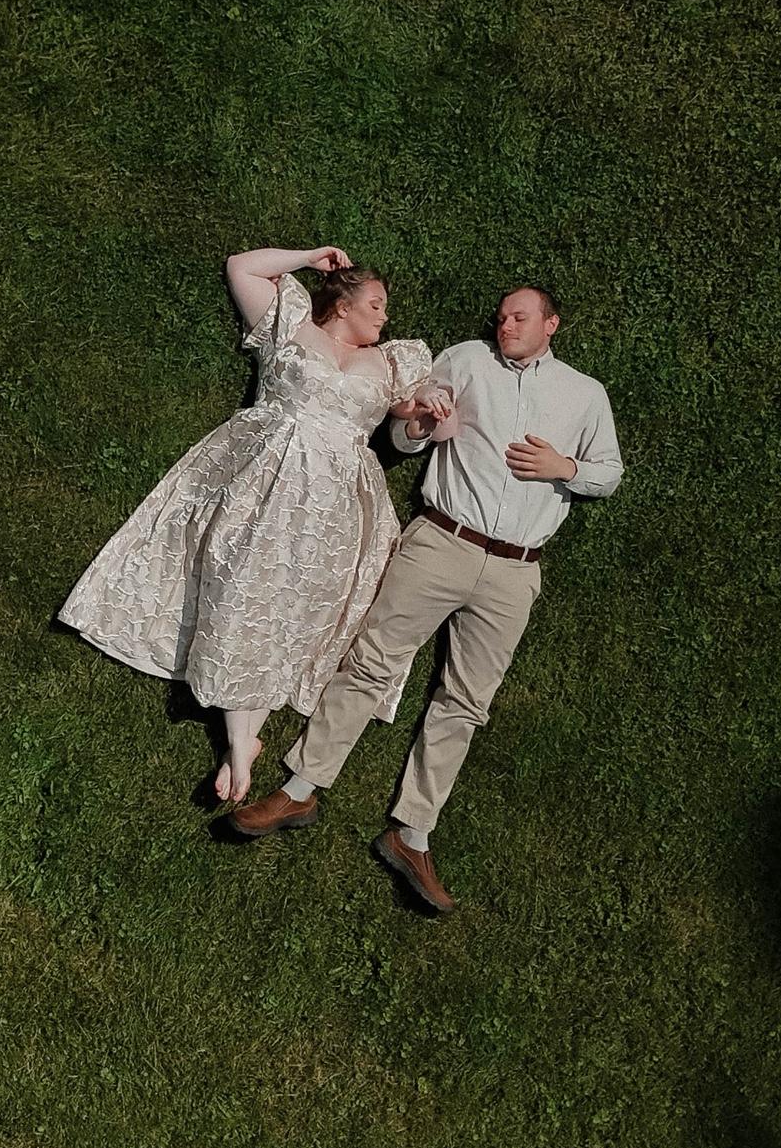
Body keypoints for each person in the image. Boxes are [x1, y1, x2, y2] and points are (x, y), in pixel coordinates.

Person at [227, 285, 623, 913]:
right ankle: (299, 789)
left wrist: (566, 469)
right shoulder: (464, 359)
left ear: (551, 324)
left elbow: (610, 473)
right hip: (443, 539)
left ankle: (412, 834)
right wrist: (422, 424)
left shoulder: (585, 394)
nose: (505, 324)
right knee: (371, 663)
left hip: (516, 570)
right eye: (501, 316)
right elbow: (404, 435)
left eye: (519, 317)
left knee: (465, 703)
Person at [57, 245, 434, 802]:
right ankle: (241, 741)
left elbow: (410, 425)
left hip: (337, 505)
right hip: (267, 477)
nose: (385, 316)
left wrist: (429, 415)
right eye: (376, 304)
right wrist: (310, 257)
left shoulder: (394, 363)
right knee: (243, 588)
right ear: (344, 303)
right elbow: (242, 266)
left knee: (293, 609)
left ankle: (242, 740)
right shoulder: (293, 323)